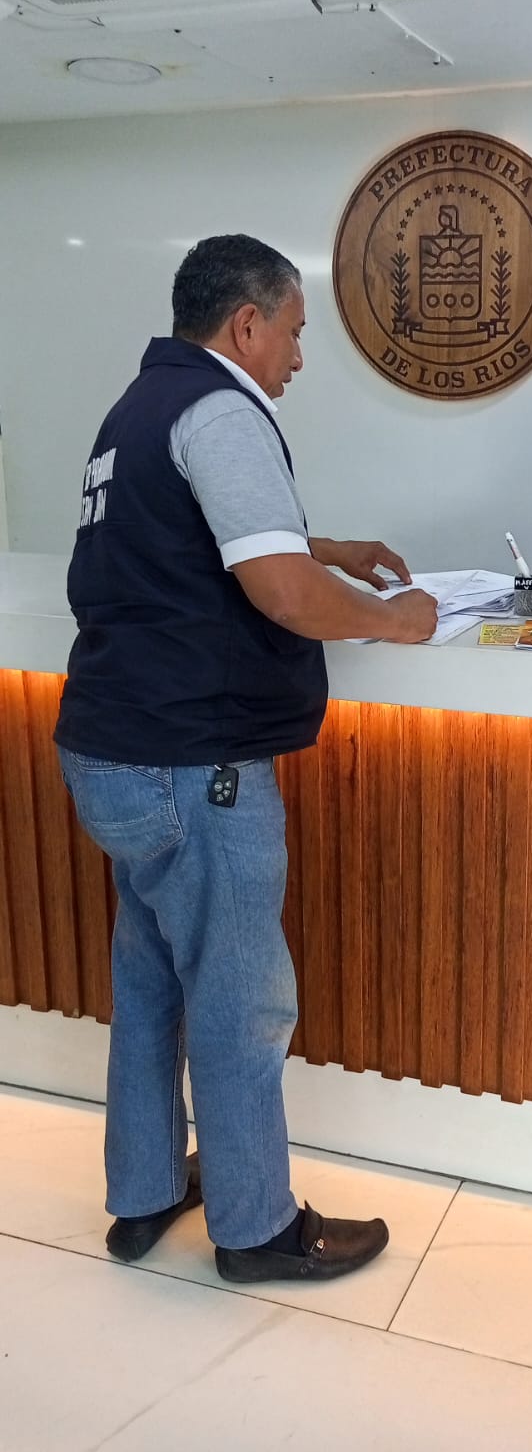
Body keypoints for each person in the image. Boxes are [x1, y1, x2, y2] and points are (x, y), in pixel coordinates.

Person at [54, 234, 437, 1284]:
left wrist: (328, 547)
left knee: (152, 984)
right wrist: (395, 618)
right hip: (195, 765)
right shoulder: (222, 410)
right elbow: (279, 594)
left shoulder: (139, 408)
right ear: (247, 323)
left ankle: (143, 1193)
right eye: (295, 333)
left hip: (113, 753)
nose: (298, 359)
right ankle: (257, 1226)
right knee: (238, 1000)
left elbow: (189, 546)